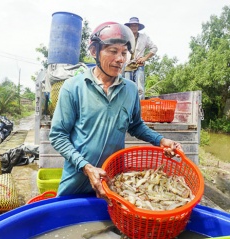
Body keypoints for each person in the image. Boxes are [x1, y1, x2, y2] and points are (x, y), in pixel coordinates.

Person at [49, 22, 182, 204]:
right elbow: (58, 136)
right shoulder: (73, 87)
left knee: (111, 227)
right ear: (94, 52)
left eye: (124, 53)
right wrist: (86, 167)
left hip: (112, 179)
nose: (120, 59)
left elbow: (136, 126)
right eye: (113, 51)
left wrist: (161, 140)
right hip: (76, 179)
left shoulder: (130, 90)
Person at [123, 17, 158, 99]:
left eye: (136, 25)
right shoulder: (125, 38)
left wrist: (145, 58)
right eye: (132, 25)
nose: (134, 27)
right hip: (128, 64)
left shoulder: (144, 37)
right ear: (130, 27)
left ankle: (140, 108)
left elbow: (154, 48)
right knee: (128, 88)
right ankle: (129, 107)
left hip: (139, 64)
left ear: (138, 27)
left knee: (140, 88)